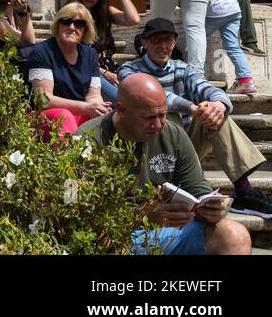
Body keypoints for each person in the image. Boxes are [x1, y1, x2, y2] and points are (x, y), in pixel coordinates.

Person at [77, 73, 251, 255]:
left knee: (234, 235)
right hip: (112, 236)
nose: (158, 124)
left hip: (169, 233)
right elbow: (71, 206)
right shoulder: (86, 140)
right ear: (120, 110)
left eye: (163, 115)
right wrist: (143, 216)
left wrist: (210, 208)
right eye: (149, 117)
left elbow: (197, 188)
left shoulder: (172, 134)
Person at [118, 18, 271, 219]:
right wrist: (191, 107)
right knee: (163, 114)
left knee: (217, 116)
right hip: (149, 150)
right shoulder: (129, 70)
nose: (163, 46)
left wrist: (218, 105)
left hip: (187, 147)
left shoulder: (182, 68)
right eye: (156, 40)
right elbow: (161, 99)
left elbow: (206, 88)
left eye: (168, 40)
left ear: (174, 43)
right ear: (144, 43)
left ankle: (244, 191)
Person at [26, 2, 110, 138]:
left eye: (79, 24)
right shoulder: (42, 52)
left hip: (79, 112)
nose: (72, 27)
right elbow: (43, 100)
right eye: (66, 21)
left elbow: (93, 94)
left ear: (85, 30)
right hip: (45, 115)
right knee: (64, 116)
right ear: (58, 25)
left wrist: (98, 107)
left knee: (105, 119)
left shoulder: (91, 55)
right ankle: (69, 158)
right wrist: (86, 108)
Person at [71, 0, 140, 105]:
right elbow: (72, 56)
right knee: (128, 102)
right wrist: (105, 73)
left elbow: (134, 19)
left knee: (139, 89)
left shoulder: (104, 13)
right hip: (87, 72)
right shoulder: (72, 15)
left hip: (109, 69)